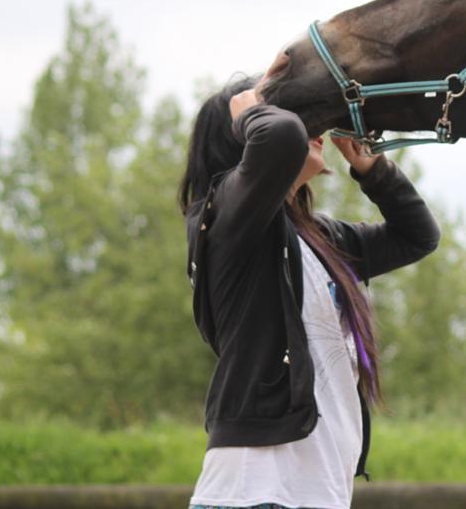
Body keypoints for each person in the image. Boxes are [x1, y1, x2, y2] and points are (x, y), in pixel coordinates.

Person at [178, 74, 441, 509]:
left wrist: (371, 168)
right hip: (255, 493)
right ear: (246, 133)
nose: (307, 126)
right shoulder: (225, 222)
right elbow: (280, 136)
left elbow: (418, 235)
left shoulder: (323, 240)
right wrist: (256, 113)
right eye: (291, 115)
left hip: (317, 496)